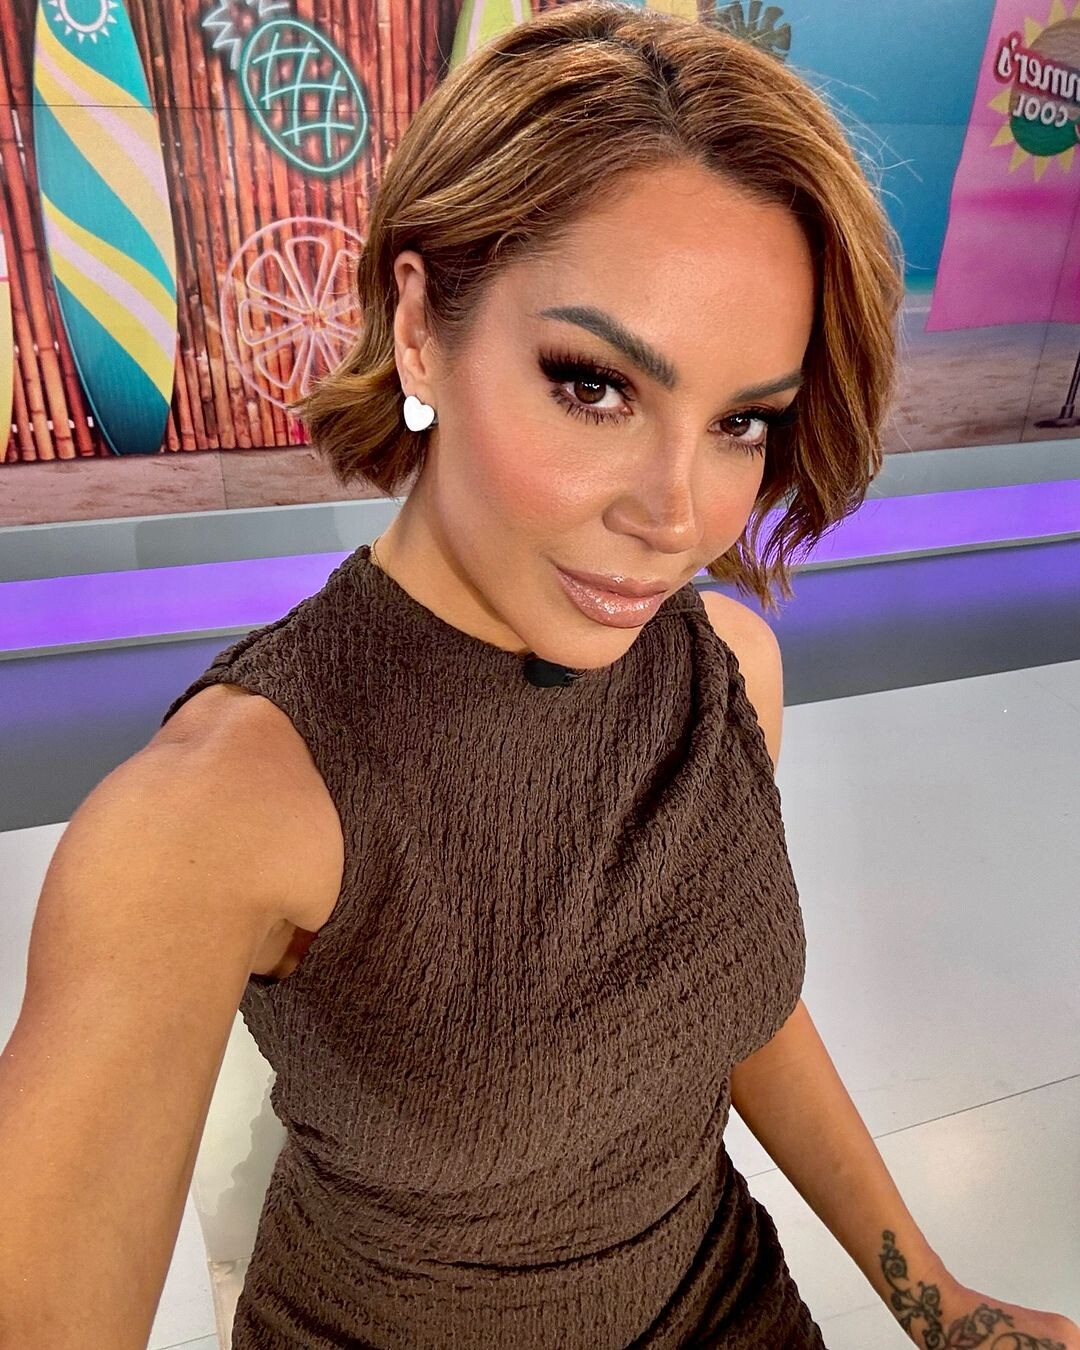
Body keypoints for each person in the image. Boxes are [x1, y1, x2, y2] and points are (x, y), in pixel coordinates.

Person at [0, 3, 903, 1346]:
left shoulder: (726, 670)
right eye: (594, 386)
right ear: (421, 327)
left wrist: (931, 1292)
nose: (676, 514)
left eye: (741, 421)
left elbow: (719, 1001)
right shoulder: (218, 809)